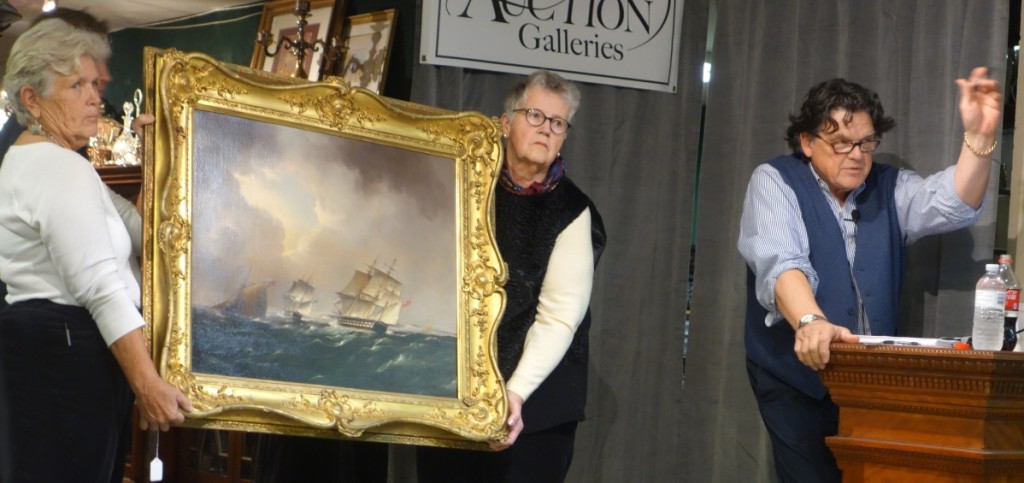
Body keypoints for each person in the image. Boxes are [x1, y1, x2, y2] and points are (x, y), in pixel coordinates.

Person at [738, 68, 1002, 482]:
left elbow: (955, 202)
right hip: (796, 378)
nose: (856, 154)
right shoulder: (775, 180)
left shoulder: (890, 186)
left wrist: (982, 137)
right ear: (807, 142)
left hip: (870, 380)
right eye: (840, 143)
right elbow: (780, 261)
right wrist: (810, 321)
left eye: (865, 142)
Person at [0, 18, 191, 482]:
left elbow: (147, 233)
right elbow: (101, 287)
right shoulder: (54, 166)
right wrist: (147, 384)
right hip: (63, 353)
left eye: (92, 83)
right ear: (32, 99)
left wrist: (157, 155)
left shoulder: (55, 162)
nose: (94, 96)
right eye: (76, 85)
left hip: (57, 351)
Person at [416, 70, 606, 482]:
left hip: (536, 406)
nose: (546, 129)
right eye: (535, 116)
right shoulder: (464, 186)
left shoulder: (574, 212)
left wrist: (513, 394)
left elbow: (559, 317)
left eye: (558, 123)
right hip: (453, 395)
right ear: (505, 123)